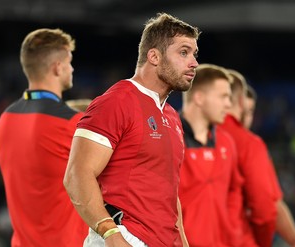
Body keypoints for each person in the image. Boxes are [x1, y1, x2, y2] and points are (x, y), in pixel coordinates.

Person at [63, 13, 200, 247]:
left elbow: (167, 192)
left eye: (194, 54)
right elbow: (77, 175)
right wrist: (111, 235)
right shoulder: (117, 101)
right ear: (154, 56)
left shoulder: (171, 116)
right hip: (125, 237)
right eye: (184, 52)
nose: (194, 63)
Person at [0, 28, 88, 246]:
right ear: (57, 67)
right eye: (69, 62)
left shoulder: (5, 119)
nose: (72, 68)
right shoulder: (71, 124)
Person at [220, 69, 295, 247]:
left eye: (251, 112)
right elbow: (266, 208)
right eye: (246, 110)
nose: (246, 118)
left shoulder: (188, 134)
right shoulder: (249, 144)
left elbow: (274, 204)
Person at [178, 64, 243, 247]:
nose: (228, 104)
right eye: (223, 97)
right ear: (199, 98)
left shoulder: (226, 143)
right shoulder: (167, 138)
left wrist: (232, 230)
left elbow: (235, 190)